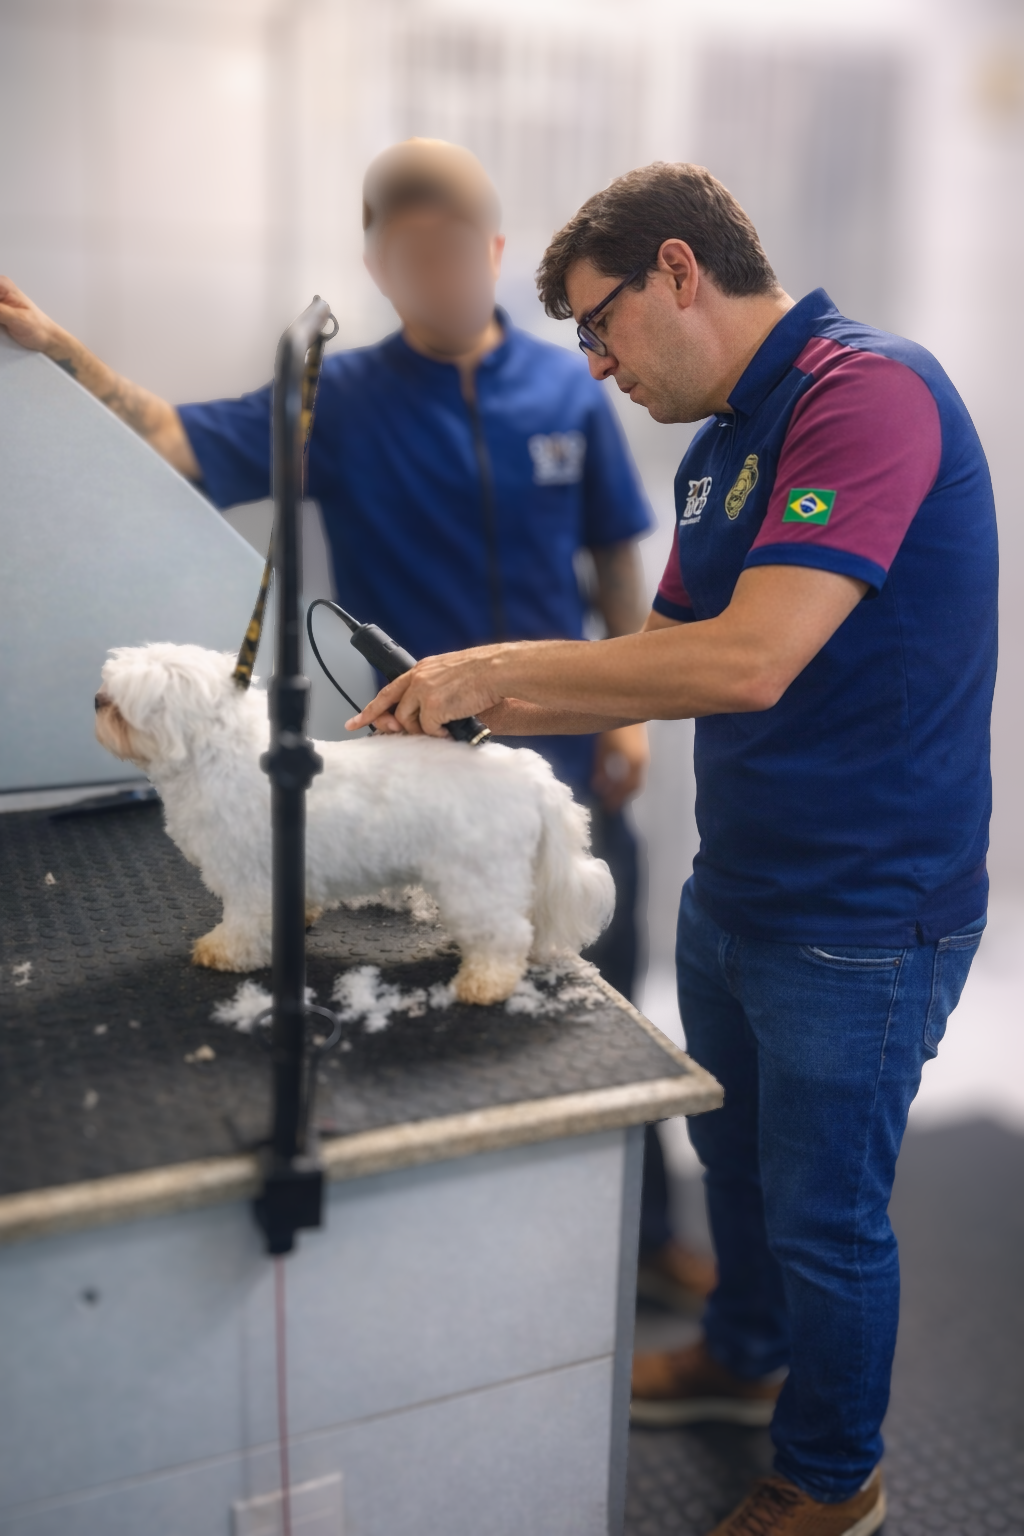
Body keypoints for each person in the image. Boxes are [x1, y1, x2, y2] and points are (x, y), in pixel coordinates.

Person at [343, 162, 997, 1536]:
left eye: (601, 326)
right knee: (741, 1173)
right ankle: (740, 1357)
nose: (593, 367)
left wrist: (491, 663)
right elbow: (661, 657)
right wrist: (472, 709)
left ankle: (834, 1473)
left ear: (681, 272)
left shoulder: (863, 395)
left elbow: (755, 661)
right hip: (741, 883)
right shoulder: (721, 452)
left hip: (863, 911)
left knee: (827, 1218)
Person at [0, 139, 711, 1306]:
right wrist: (66, 355)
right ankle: (520, 1280)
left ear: (490, 251)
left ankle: (643, 1241)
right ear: (379, 265)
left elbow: (613, 553)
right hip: (410, 774)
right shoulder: (337, 398)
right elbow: (176, 440)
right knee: (464, 1034)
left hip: (577, 749)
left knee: (605, 1003)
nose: (435, 271)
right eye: (408, 253)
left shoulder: (575, 385)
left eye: (456, 249)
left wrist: (628, 716)